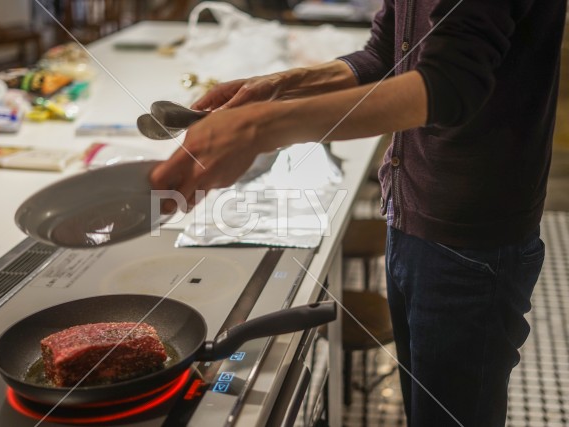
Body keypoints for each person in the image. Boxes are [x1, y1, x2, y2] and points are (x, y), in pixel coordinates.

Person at [150, 0, 566, 425]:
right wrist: (282, 85)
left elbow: (449, 84)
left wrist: (262, 127)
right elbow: (387, 55)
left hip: (472, 238)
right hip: (411, 213)